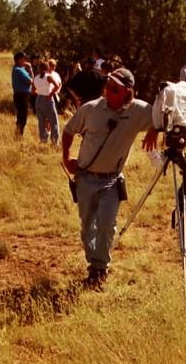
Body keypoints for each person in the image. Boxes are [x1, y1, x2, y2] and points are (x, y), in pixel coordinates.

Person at [62, 67, 159, 288]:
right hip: (85, 178)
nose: (108, 92)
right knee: (88, 227)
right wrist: (67, 157)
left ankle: (99, 268)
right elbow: (69, 131)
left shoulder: (139, 111)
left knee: (107, 223)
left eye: (115, 89)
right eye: (107, 87)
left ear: (127, 92)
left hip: (112, 181)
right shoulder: (91, 109)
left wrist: (155, 129)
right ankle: (94, 265)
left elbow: (161, 115)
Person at [33, 60, 61, 145]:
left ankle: (43, 140)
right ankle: (54, 141)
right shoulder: (48, 77)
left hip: (38, 99)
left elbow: (33, 91)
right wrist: (50, 94)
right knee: (54, 121)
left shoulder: (36, 77)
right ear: (47, 68)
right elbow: (57, 86)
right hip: (47, 98)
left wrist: (40, 94)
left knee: (41, 122)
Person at [12, 51, 33, 136]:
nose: (25, 60)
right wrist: (30, 69)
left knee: (21, 115)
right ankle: (19, 134)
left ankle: (19, 133)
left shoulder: (20, 69)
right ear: (19, 59)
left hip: (22, 94)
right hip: (21, 95)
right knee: (22, 116)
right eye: (24, 58)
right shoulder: (18, 70)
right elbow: (30, 81)